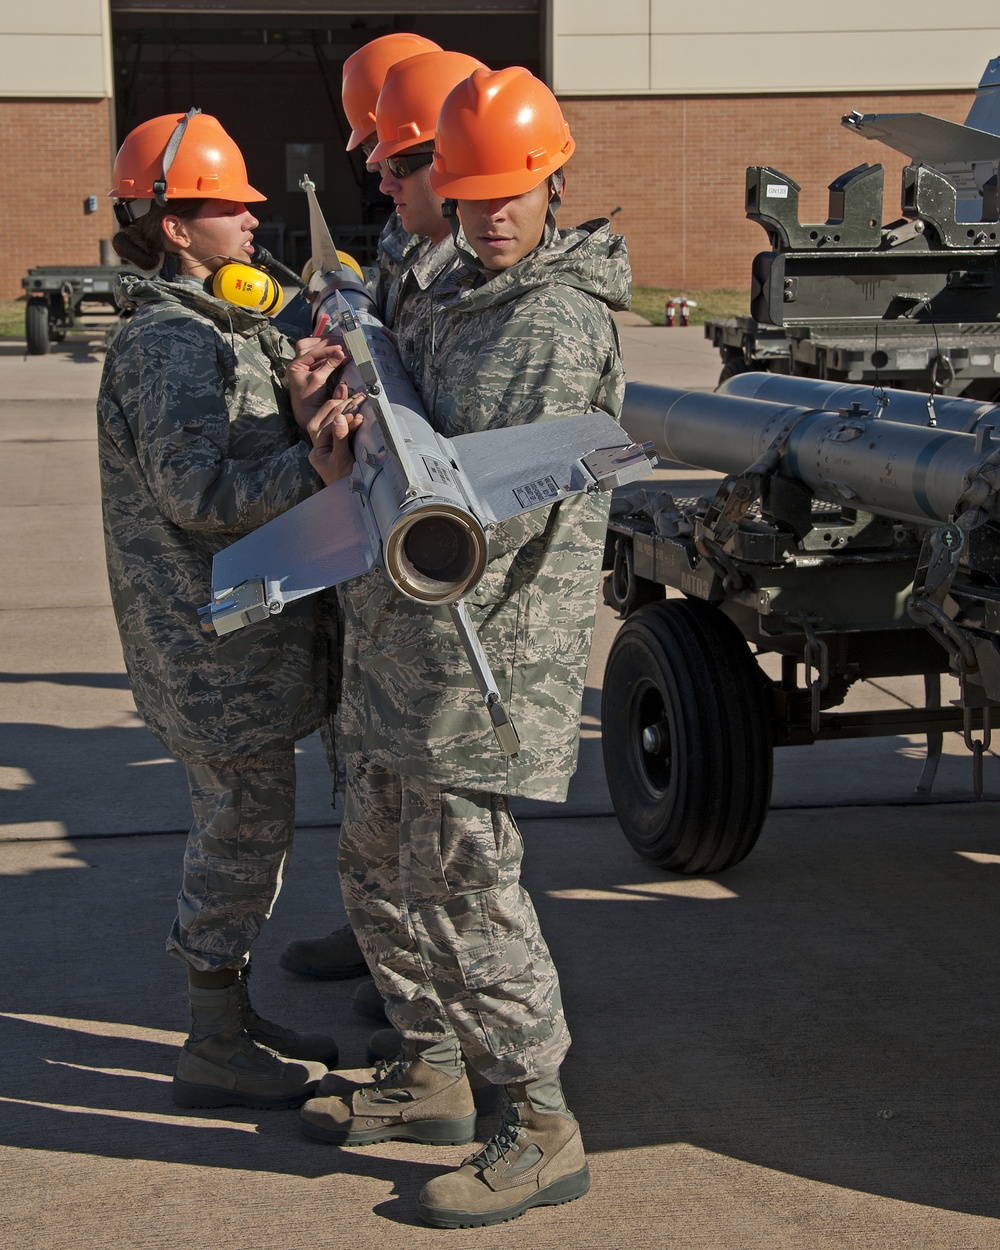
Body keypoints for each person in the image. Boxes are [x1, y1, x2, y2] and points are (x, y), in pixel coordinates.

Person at [297, 67, 630, 1228]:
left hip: (480, 649)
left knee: (465, 887)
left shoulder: (546, 318)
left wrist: (364, 474)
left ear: (552, 179)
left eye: (515, 191)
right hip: (407, 637)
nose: (492, 214)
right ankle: (432, 1066)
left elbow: (491, 512)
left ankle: (534, 1118)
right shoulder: (457, 290)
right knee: (380, 865)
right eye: (469, 188)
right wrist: (339, 434)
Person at [98, 109, 364, 1110]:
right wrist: (311, 459)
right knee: (241, 830)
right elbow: (198, 496)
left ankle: (233, 1011)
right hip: (211, 646)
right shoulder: (171, 346)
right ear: (174, 226)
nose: (253, 222)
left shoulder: (213, 327)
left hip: (230, 629)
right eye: (230, 207)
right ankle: (211, 1040)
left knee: (249, 825)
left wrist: (292, 411)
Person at [277, 38, 481, 987]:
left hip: (439, 597)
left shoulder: (483, 277)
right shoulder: (413, 249)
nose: (377, 173)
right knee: (374, 804)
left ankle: (431, 1023)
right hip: (381, 582)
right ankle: (388, 963)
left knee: (448, 851)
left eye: (395, 158)